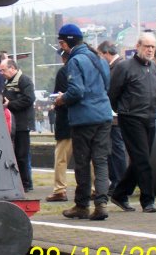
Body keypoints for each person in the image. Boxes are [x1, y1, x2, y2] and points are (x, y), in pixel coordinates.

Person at [54, 24, 112, 221]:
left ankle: (82, 205)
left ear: (66, 42)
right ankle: (102, 204)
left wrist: (62, 98)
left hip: (84, 119)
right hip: (104, 116)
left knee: (83, 163)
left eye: (61, 42)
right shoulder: (99, 58)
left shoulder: (75, 60)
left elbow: (77, 91)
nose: (61, 46)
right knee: (101, 161)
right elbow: (106, 85)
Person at [108, 32, 156, 213]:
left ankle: (120, 193)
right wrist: (122, 109)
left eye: (153, 47)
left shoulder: (153, 67)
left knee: (141, 159)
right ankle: (148, 200)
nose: (150, 50)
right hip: (131, 117)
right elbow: (113, 92)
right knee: (143, 159)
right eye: (147, 46)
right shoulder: (125, 67)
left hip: (150, 117)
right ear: (138, 46)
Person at [97, 40, 127, 194]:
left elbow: (113, 90)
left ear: (106, 53)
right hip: (114, 114)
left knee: (117, 149)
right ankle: (116, 180)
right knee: (113, 149)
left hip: (115, 114)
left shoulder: (117, 67)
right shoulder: (117, 66)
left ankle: (119, 182)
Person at [2, 59, 35, 192]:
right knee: (15, 154)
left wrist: (10, 104)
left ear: (12, 68)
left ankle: (26, 184)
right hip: (13, 123)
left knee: (22, 155)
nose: (1, 73)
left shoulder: (24, 80)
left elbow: (29, 99)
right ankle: (18, 182)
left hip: (22, 123)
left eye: (3, 70)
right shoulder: (8, 82)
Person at [46, 49, 71, 202]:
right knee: (89, 158)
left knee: (61, 158)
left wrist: (56, 102)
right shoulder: (90, 68)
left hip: (66, 121)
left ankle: (60, 189)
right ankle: (95, 189)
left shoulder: (64, 72)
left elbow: (59, 95)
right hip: (84, 121)